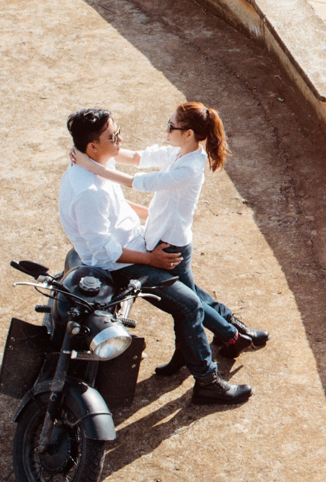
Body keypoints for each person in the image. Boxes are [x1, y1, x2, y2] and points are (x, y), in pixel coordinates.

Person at [58, 107, 250, 405]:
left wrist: (153, 218)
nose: (120, 139)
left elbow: (120, 205)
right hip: (124, 263)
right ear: (93, 146)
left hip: (141, 242)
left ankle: (225, 336)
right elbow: (102, 252)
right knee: (189, 306)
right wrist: (150, 259)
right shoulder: (88, 190)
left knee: (189, 295)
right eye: (113, 136)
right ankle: (208, 381)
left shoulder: (95, 166)